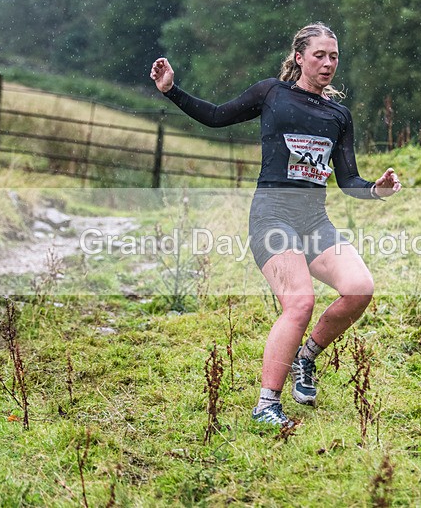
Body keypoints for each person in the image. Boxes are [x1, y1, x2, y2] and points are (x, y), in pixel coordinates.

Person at [150, 22, 401, 427]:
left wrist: (377, 189)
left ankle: (307, 357)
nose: (328, 63)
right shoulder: (272, 93)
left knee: (360, 289)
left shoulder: (339, 115)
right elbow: (216, 117)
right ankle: (267, 404)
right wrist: (171, 91)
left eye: (334, 56)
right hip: (273, 214)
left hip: (314, 219)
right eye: (319, 55)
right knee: (299, 302)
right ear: (299, 58)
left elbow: (348, 180)